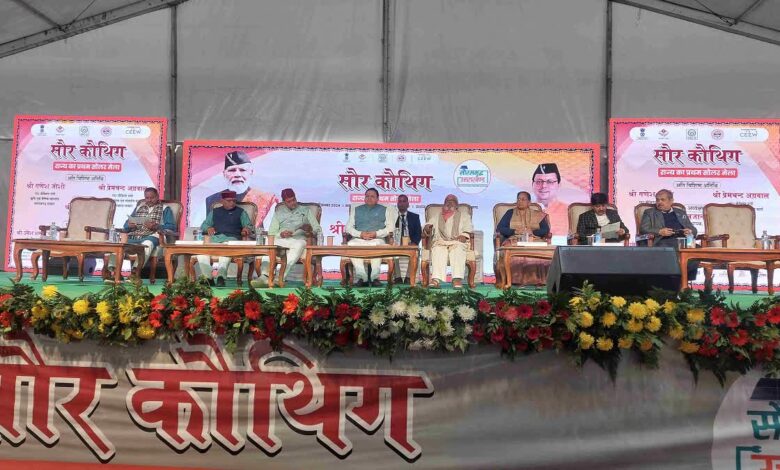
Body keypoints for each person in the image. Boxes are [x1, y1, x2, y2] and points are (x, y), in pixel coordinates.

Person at [252, 188, 321, 287]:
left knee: (300, 244)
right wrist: (281, 234)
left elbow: (318, 229)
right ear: (284, 202)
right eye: (289, 201)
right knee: (268, 242)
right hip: (281, 240)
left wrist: (309, 230)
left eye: (294, 200)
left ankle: (279, 277)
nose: (293, 203)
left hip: (297, 240)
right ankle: (264, 276)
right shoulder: (279, 212)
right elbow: (272, 232)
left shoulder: (306, 211)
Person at [106, 187, 176, 277]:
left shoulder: (165, 209)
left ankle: (135, 271)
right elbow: (126, 226)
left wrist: (156, 226)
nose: (149, 200)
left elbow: (172, 227)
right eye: (147, 198)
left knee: (147, 244)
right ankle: (114, 271)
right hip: (135, 235)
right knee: (119, 244)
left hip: (153, 235)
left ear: (157, 196)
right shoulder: (139, 207)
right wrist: (129, 225)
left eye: (152, 197)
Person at [195, 190, 253, 287]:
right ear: (222, 201)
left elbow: (249, 226)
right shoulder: (215, 212)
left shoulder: (241, 212)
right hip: (215, 240)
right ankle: (208, 278)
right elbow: (204, 225)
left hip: (231, 241)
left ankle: (221, 277)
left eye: (234, 201)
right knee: (201, 253)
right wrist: (208, 228)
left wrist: (246, 229)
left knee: (225, 253)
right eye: (229, 201)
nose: (232, 203)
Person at [205, 151, 277, 227]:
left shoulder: (267, 200)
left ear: (251, 172)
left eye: (242, 170)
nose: (237, 174)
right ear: (224, 174)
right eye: (232, 170)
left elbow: (271, 231)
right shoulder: (210, 201)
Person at [640, 189, 699, 279]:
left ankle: (683, 278)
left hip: (683, 241)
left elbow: (693, 229)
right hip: (663, 241)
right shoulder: (649, 212)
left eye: (662, 200)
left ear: (671, 201)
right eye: (657, 200)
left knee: (697, 249)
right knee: (673, 251)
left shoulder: (680, 212)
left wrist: (690, 231)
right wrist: (660, 231)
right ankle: (677, 280)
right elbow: (643, 229)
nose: (659, 202)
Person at [497, 191, 551, 286]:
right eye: (518, 199)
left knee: (542, 250)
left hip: (534, 239)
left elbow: (545, 229)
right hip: (515, 239)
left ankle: (539, 281)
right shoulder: (510, 213)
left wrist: (533, 232)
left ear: (529, 202)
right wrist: (514, 231)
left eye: (523, 199)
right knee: (510, 250)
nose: (520, 201)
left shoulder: (537, 214)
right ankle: (514, 281)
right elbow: (500, 228)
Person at [346, 188, 395, 287]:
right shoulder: (357, 209)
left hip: (377, 238)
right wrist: (360, 234)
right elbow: (348, 228)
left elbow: (391, 228)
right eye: (367, 196)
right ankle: (362, 277)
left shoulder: (385, 209)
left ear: (377, 199)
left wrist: (376, 233)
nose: (369, 198)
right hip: (359, 239)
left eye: (372, 196)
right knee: (351, 244)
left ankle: (374, 278)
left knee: (377, 246)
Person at [424, 194, 473, 289]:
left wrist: (464, 235)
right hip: (441, 242)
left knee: (458, 249)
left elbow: (468, 228)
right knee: (437, 249)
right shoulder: (437, 215)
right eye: (448, 201)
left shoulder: (464, 216)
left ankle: (457, 279)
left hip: (457, 241)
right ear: (444, 204)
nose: (450, 203)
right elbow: (428, 225)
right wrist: (427, 227)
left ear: (457, 205)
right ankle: (435, 280)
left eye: (453, 201)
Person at [531, 163, 568, 235]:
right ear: (532, 184)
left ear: (559, 184)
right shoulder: (524, 210)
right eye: (539, 181)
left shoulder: (568, 211)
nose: (544, 186)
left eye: (550, 182)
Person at [393, 194, 422, 284]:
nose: (402, 203)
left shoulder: (415, 217)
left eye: (404, 201)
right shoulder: (392, 217)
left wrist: (414, 242)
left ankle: (409, 277)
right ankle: (397, 277)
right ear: (397, 204)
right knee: (392, 251)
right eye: (400, 201)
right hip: (396, 243)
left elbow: (418, 232)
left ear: (408, 204)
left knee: (414, 251)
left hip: (410, 243)